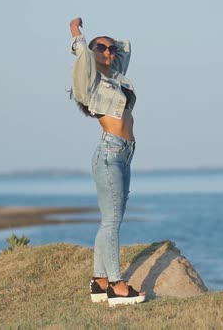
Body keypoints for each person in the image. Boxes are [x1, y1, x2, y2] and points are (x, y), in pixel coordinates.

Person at [69, 17, 145, 307]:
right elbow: (83, 54)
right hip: (110, 153)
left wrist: (112, 47)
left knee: (111, 220)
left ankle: (99, 281)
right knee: (112, 221)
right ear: (91, 53)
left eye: (111, 49)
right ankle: (116, 285)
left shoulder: (116, 75)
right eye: (100, 48)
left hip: (125, 153)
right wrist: (76, 32)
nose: (109, 52)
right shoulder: (91, 80)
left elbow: (124, 49)